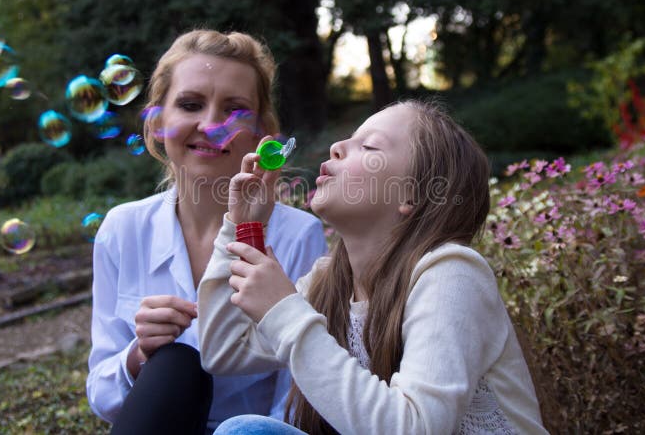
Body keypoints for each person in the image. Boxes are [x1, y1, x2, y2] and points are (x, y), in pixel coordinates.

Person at [197, 100, 549, 434]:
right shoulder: (328, 283)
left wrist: (283, 312)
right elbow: (224, 350)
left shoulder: (452, 273)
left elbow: (415, 428)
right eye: (349, 139)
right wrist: (243, 225)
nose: (337, 146)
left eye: (370, 147)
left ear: (412, 194)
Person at [86, 30, 328, 434]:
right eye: (190, 104)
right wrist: (139, 356)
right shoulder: (122, 229)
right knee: (174, 366)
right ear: (159, 120)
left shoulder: (298, 235)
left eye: (234, 111)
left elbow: (297, 398)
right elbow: (102, 394)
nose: (211, 124)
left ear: (260, 130)